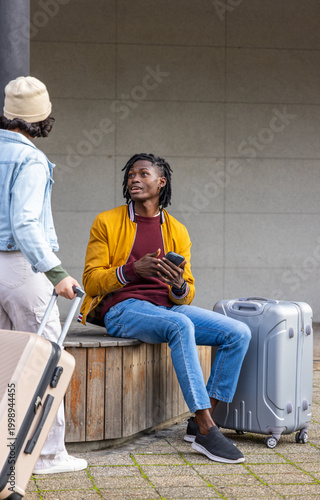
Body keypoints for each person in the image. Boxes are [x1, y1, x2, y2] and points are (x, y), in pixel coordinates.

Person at [79, 153, 251, 464]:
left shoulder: (177, 230)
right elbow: (90, 281)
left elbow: (187, 291)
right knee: (180, 326)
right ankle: (206, 429)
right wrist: (131, 271)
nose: (134, 179)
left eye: (143, 174)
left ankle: (200, 419)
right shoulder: (107, 221)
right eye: (131, 174)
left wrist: (178, 285)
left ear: (161, 182)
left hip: (167, 308)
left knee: (238, 332)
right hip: (123, 308)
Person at [0, 76, 87, 474]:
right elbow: (24, 223)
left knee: (5, 360)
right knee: (46, 356)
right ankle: (48, 454)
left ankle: (4, 451)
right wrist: (57, 274)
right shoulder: (30, 159)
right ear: (43, 118)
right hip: (20, 266)